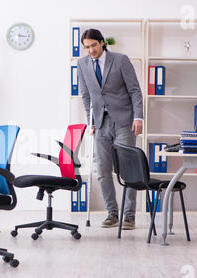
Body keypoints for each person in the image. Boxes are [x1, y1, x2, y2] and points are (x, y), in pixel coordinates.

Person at [77, 29, 143, 230]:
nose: (91, 50)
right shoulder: (82, 64)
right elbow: (86, 95)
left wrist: (138, 117)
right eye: (87, 47)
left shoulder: (120, 60)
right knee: (103, 170)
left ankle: (129, 216)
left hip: (124, 121)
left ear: (102, 43)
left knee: (128, 169)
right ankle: (112, 213)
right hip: (100, 124)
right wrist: (91, 122)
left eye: (94, 45)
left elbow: (134, 90)